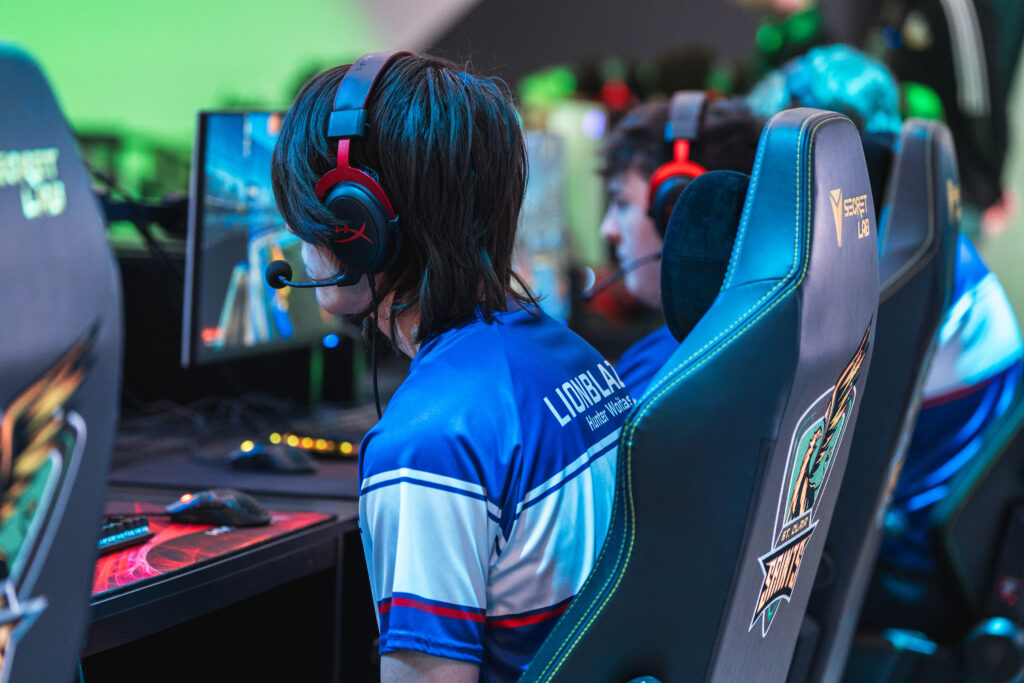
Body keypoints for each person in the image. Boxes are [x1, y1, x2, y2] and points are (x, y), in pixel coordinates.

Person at [270, 52, 629, 682]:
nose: (299, 237)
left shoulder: (427, 446)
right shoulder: (577, 358)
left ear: (360, 225)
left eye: (308, 210)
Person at [747, 41, 1024, 579]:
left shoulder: (877, 265)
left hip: (917, 545)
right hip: (963, 532)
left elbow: (805, 427)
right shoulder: (919, 239)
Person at [596, 94, 764, 397]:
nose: (607, 229)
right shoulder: (756, 332)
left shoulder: (661, 372)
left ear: (674, 207)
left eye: (621, 202)